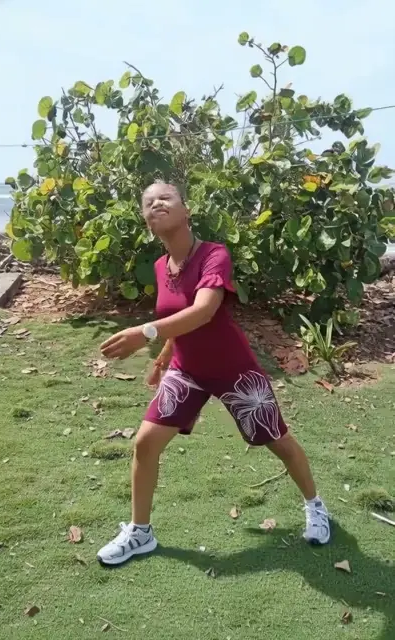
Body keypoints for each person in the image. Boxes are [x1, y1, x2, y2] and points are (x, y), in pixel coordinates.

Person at [97, 181, 330, 567]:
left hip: (233, 369)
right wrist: (163, 359)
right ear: (146, 221)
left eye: (166, 197)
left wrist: (145, 333)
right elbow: (177, 318)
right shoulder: (160, 267)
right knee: (145, 444)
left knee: (278, 441)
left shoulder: (214, 254)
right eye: (149, 202)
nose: (157, 203)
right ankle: (140, 532)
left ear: (185, 210)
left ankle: (315, 506)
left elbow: (204, 311)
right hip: (186, 370)